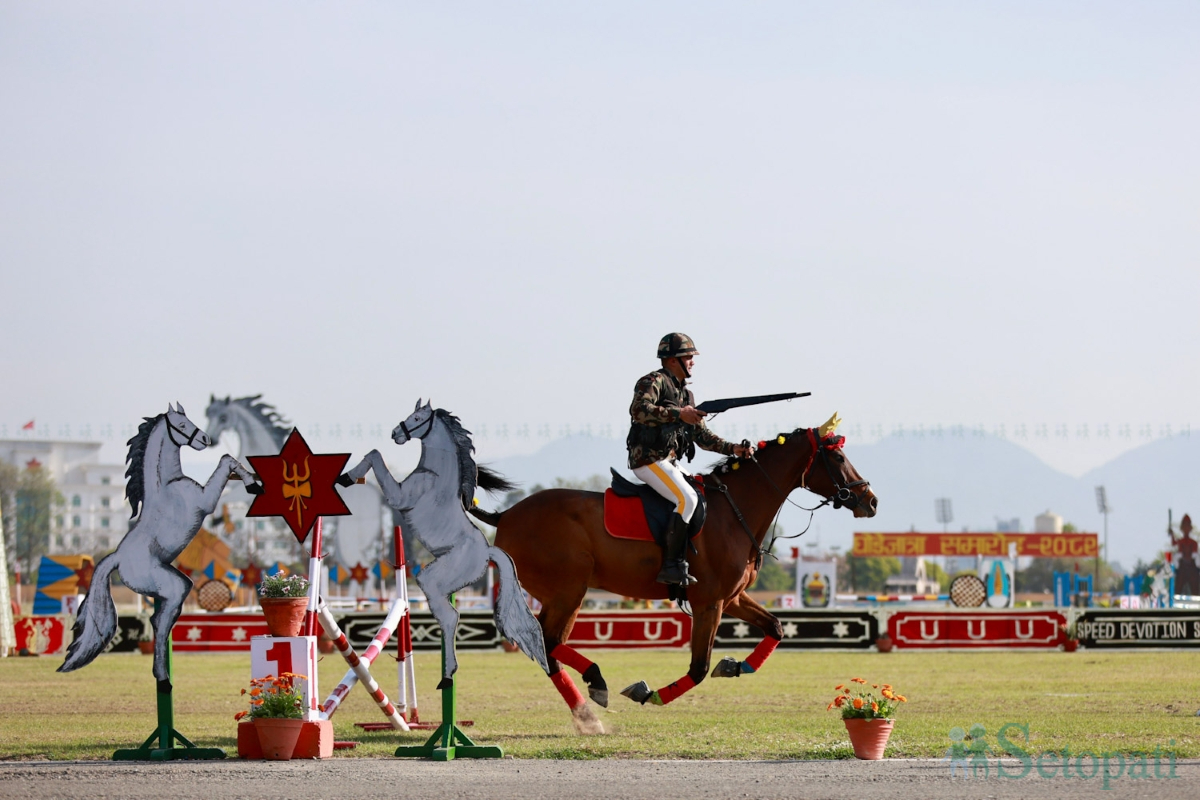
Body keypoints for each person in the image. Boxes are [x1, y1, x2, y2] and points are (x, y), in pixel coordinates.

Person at [627, 332, 754, 585]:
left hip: (668, 462)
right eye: (688, 357)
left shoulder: (686, 395)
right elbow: (638, 410)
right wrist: (678, 414)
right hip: (648, 460)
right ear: (673, 360)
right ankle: (672, 566)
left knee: (701, 493)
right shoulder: (653, 381)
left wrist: (734, 449)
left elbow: (702, 437)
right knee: (687, 498)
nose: (693, 362)